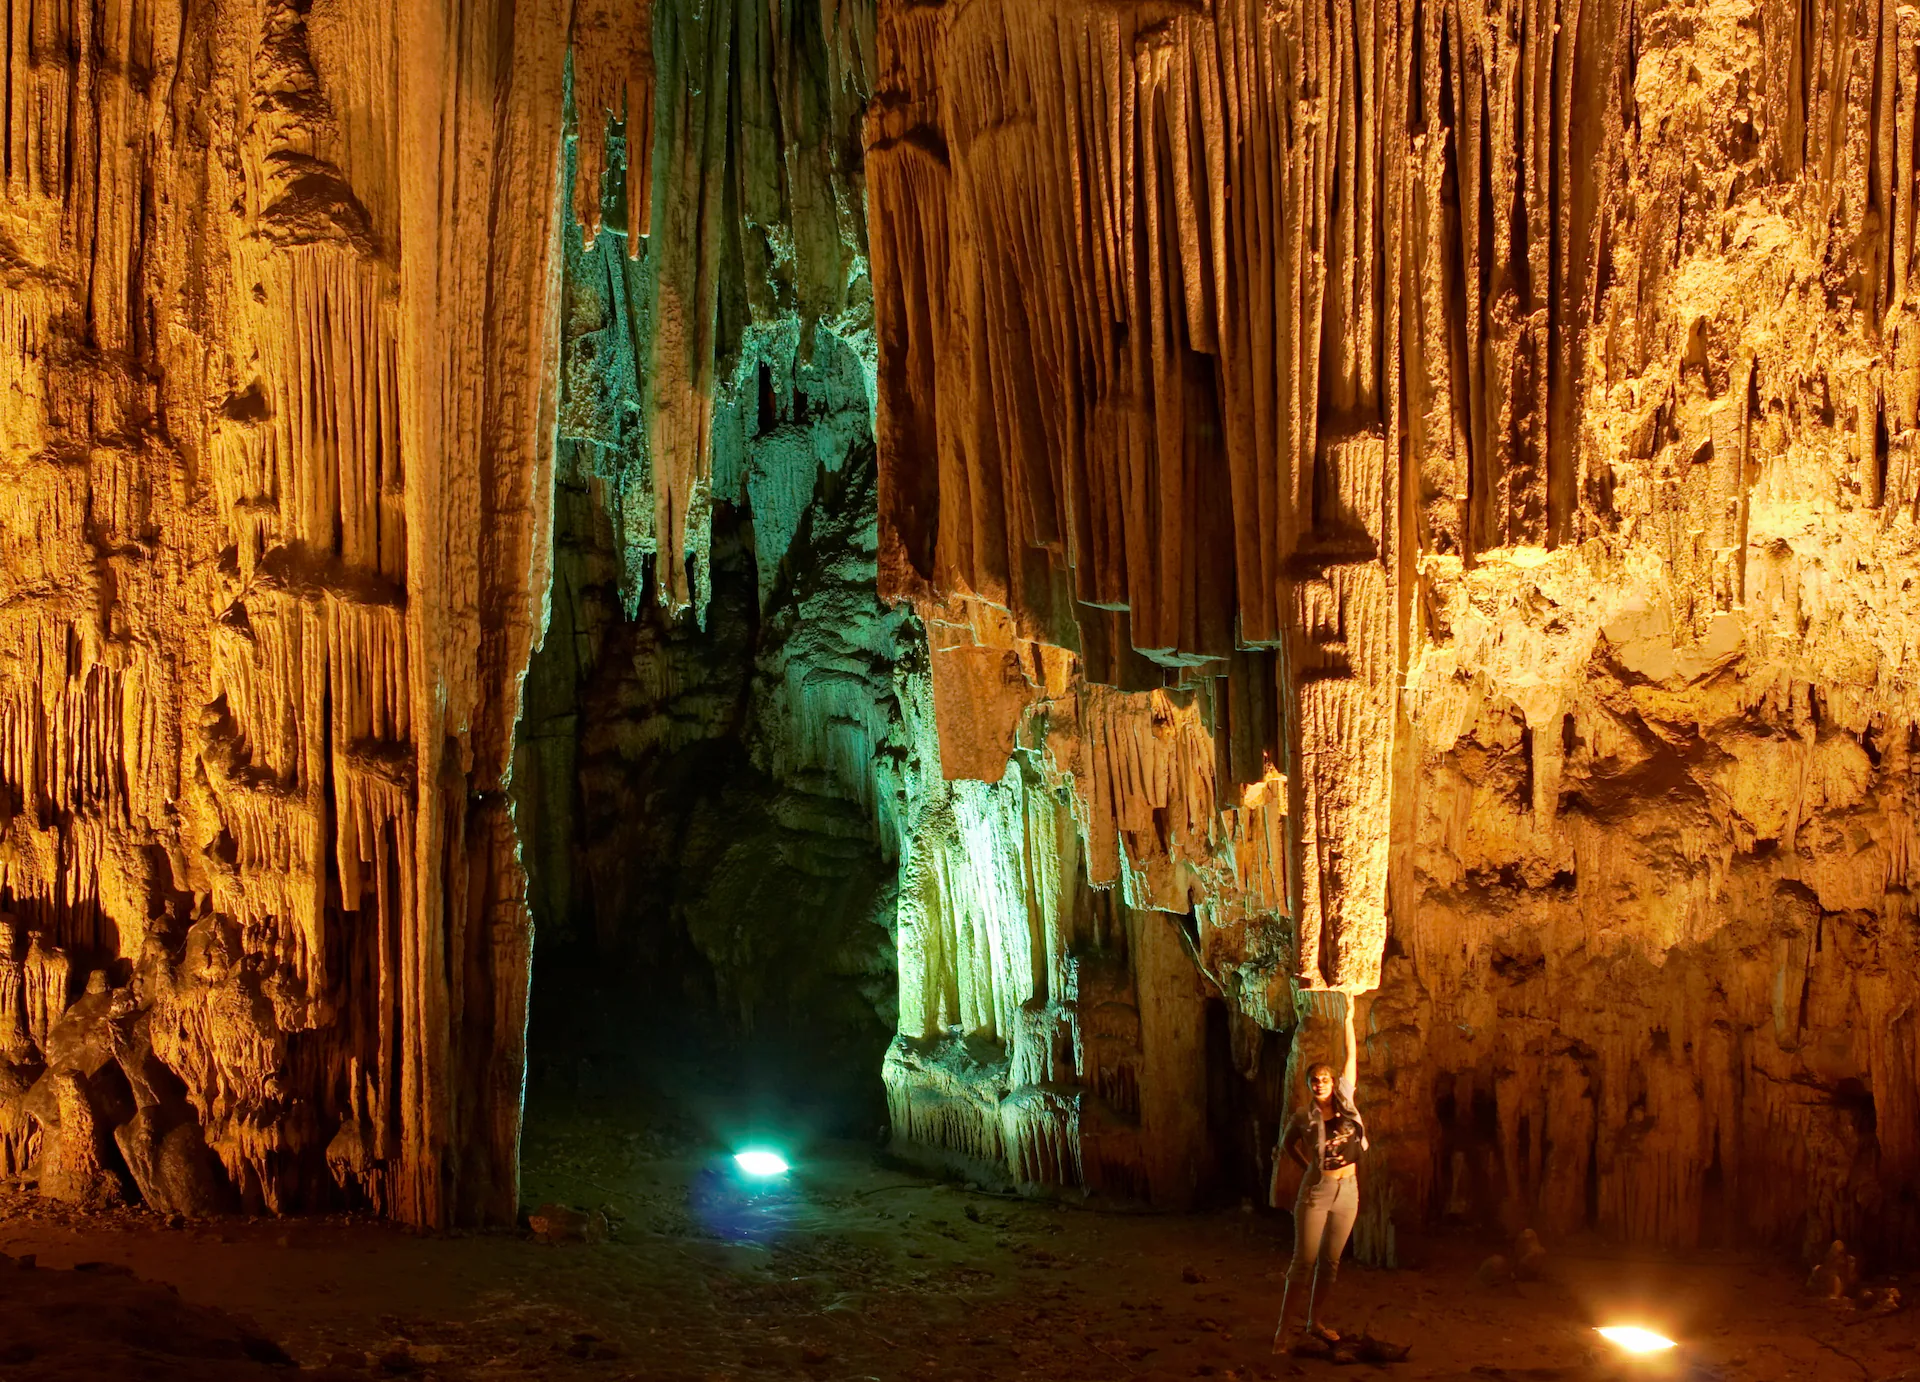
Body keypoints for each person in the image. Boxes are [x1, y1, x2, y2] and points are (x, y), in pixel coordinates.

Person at [1272, 996, 1367, 1351]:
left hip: (1349, 1190)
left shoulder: (1346, 1101)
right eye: (1314, 1080)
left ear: (1333, 1081)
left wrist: (1349, 1018)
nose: (1320, 1083)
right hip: (1317, 1190)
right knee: (1304, 1261)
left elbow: (1351, 1057)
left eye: (1325, 1078)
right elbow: (1286, 1145)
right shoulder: (1303, 1116)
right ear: (1309, 1084)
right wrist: (1306, 1168)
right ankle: (1283, 1331)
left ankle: (1316, 1321)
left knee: (1331, 1262)